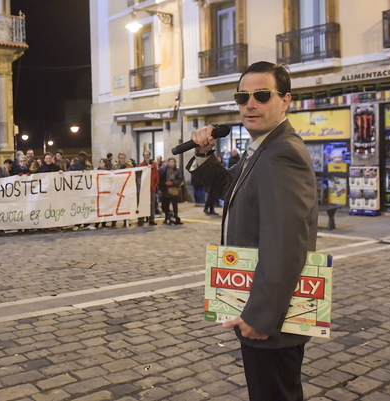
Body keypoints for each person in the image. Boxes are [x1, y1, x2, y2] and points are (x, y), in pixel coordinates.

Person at [188, 61, 318, 401]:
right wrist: (204, 153)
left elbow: (287, 244)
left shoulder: (281, 153)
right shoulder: (262, 147)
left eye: (262, 94)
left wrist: (260, 317)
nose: (250, 103)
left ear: (285, 100)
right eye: (242, 96)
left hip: (270, 317)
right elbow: (229, 188)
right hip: (262, 307)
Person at [158, 157, 183, 225]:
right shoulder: (164, 170)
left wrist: (173, 183)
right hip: (166, 190)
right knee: (166, 205)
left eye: (172, 162)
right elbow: (161, 178)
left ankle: (175, 216)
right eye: (170, 162)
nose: (171, 163)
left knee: (175, 204)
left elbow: (180, 179)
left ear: (175, 163)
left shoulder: (177, 170)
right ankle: (167, 217)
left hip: (174, 190)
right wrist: (164, 184)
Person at [137, 150, 159, 226]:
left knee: (152, 204)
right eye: (145, 155)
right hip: (143, 189)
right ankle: (141, 219)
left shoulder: (153, 165)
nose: (147, 156)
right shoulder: (140, 165)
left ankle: (151, 219)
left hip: (152, 188)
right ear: (143, 156)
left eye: (148, 155)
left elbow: (156, 176)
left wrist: (155, 184)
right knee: (142, 204)